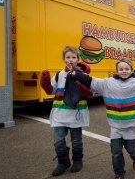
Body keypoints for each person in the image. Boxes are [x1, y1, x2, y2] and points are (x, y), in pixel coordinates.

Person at [70, 58, 135, 179]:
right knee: (116, 153)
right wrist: (76, 74)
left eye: (127, 69)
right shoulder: (108, 83)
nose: (124, 71)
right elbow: (91, 81)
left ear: (131, 69)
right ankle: (119, 174)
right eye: (121, 69)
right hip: (116, 127)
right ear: (117, 70)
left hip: (132, 127)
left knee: (132, 150)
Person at [40, 46, 92, 176]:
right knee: (58, 140)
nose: (71, 60)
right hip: (60, 114)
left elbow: (90, 92)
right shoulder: (59, 75)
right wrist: (45, 81)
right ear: (64, 59)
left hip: (76, 114)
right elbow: (49, 90)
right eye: (68, 57)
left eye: (73, 57)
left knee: (77, 140)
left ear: (77, 59)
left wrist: (81, 84)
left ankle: (77, 160)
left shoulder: (83, 75)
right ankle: (63, 162)